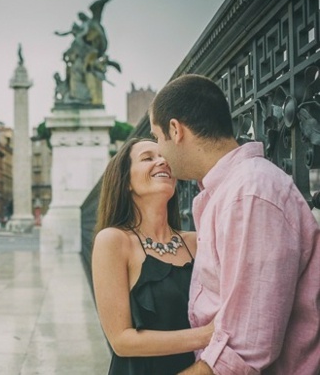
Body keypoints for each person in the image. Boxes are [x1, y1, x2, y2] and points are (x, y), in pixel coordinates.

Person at [149, 74, 320, 374]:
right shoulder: (233, 191)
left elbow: (243, 351)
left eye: (156, 137)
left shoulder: (248, 194)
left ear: (175, 130)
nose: (159, 152)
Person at [92, 137, 213, 374]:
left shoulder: (196, 241)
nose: (162, 162)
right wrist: (207, 336)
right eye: (148, 158)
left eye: (165, 158)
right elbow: (121, 341)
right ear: (126, 181)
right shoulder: (114, 241)